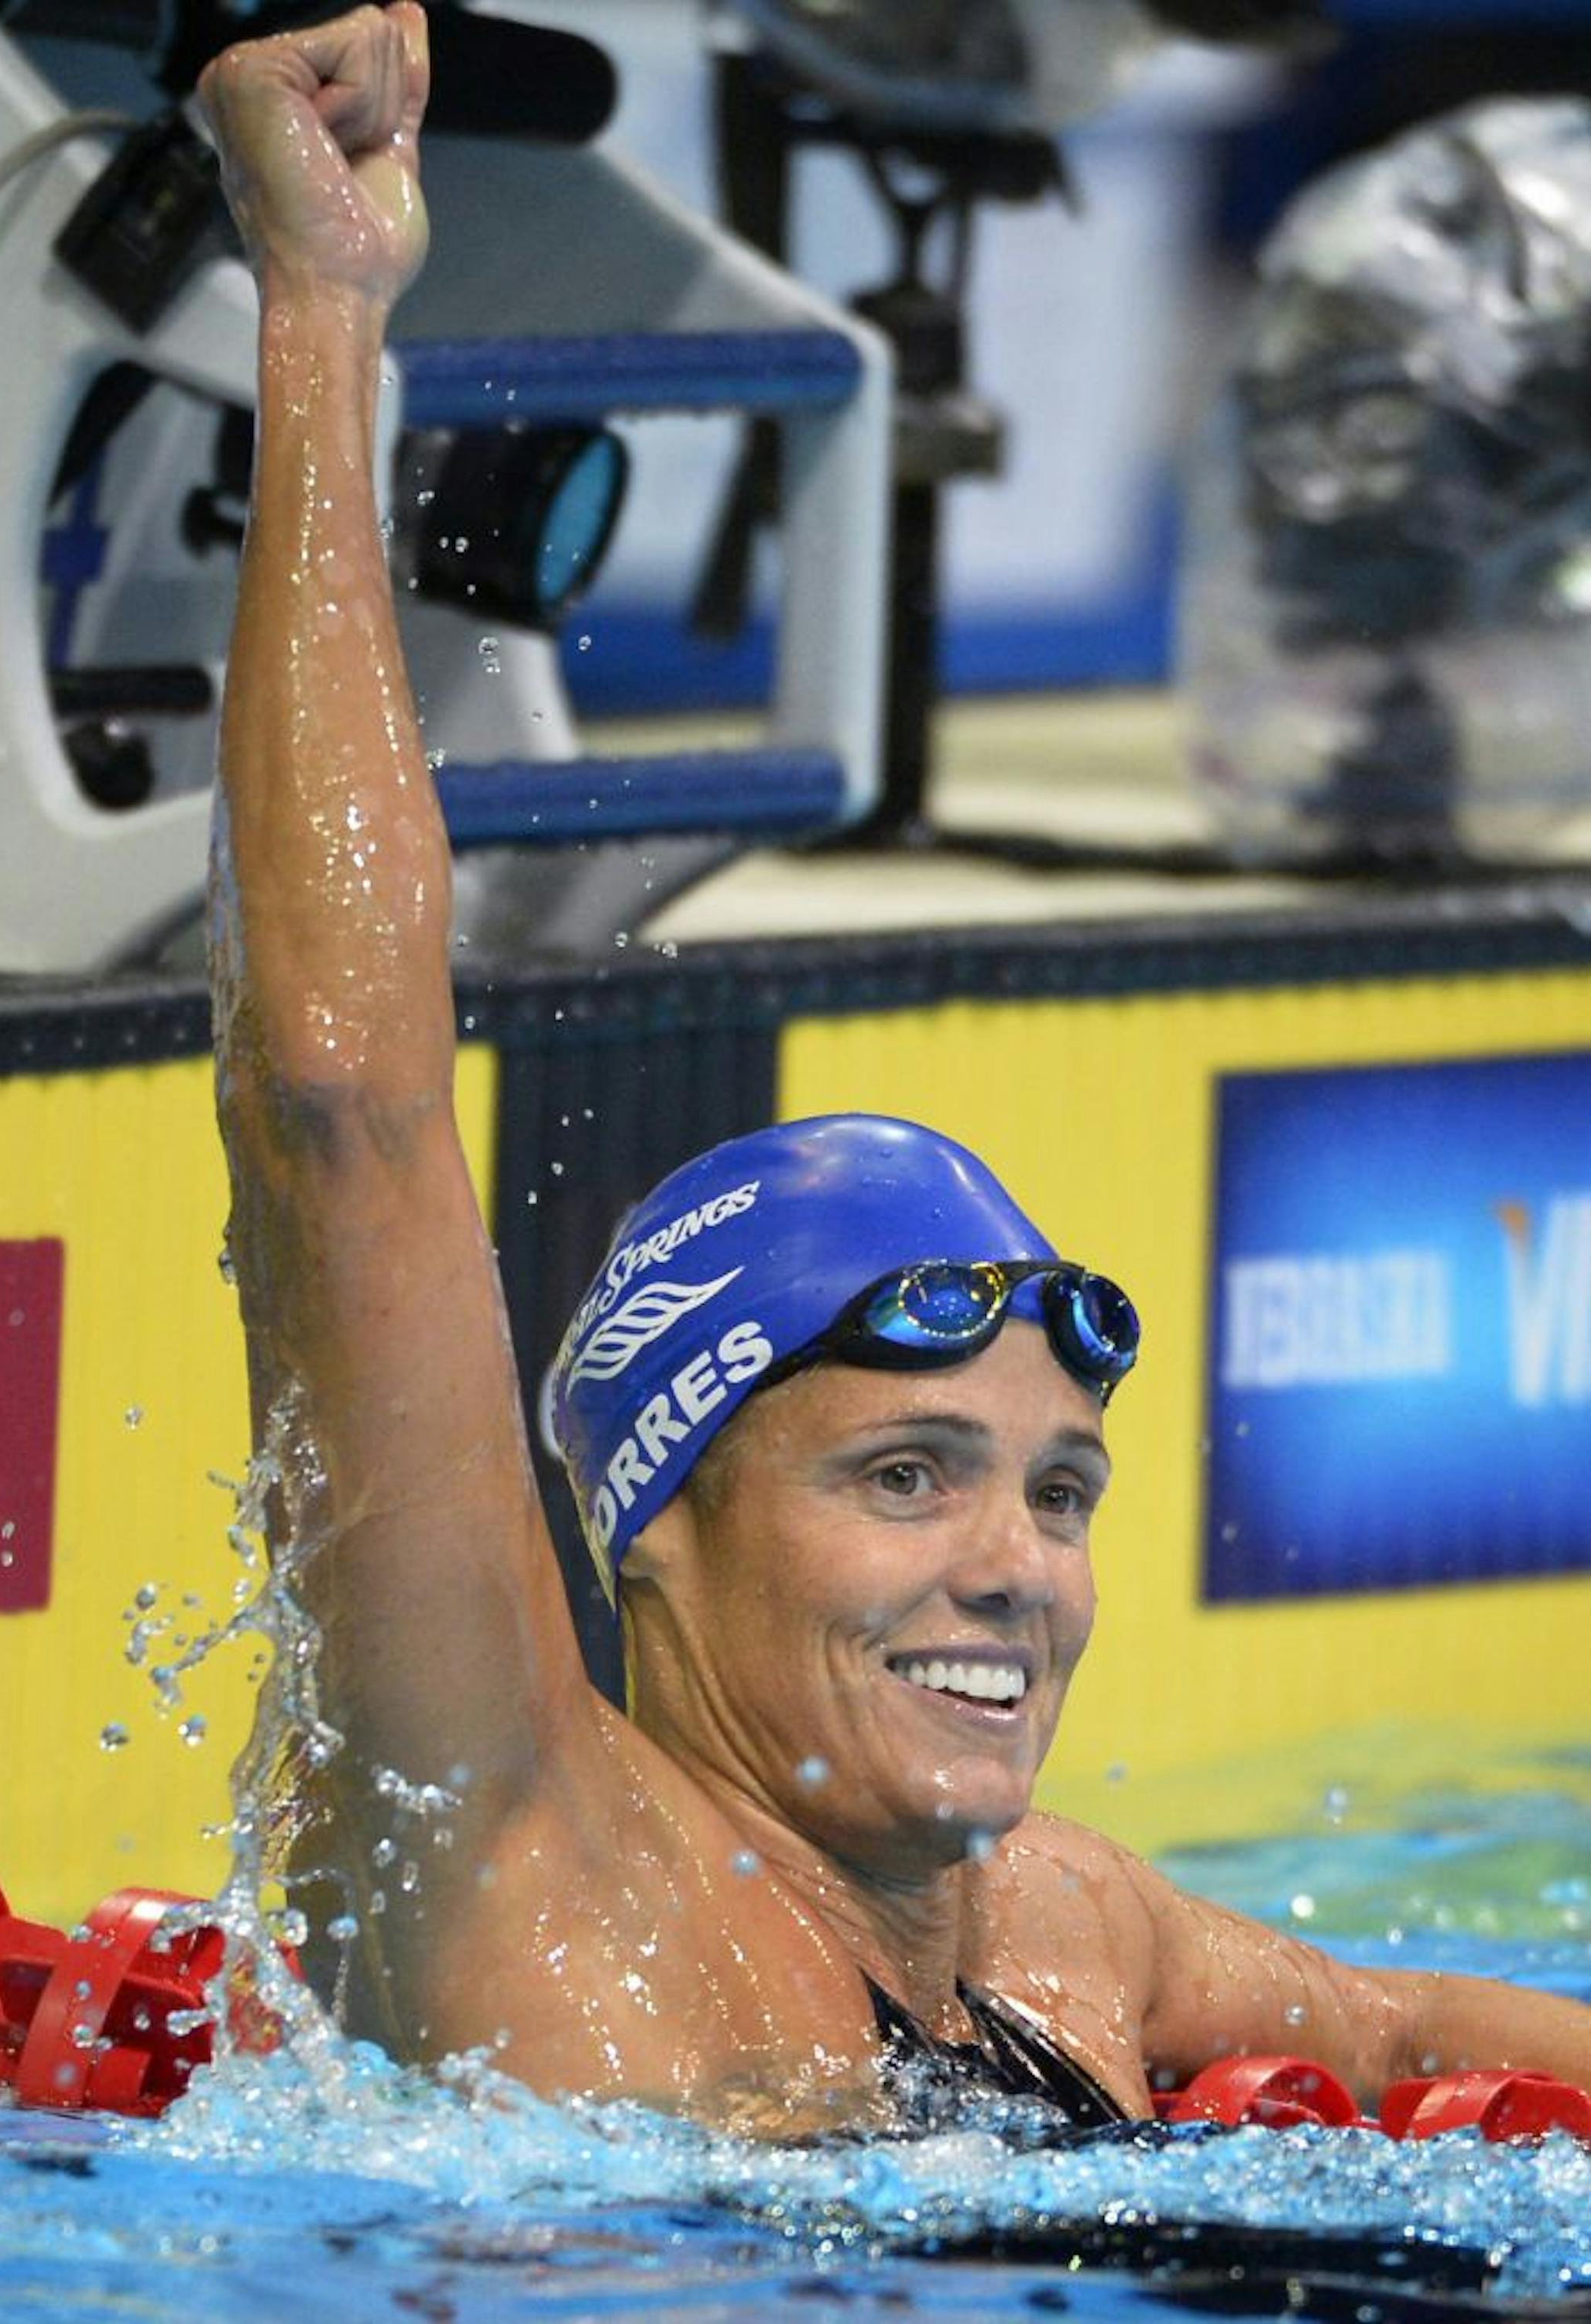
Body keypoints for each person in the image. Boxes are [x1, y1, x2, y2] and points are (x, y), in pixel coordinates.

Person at [197, 2, 1591, 2136]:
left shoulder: (1062, 1928)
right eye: (904, 1472)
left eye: (1054, 1487)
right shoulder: (530, 1865)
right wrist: (321, 309)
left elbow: (1410, 2038)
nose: (1015, 1565)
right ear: (657, 1518)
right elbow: (337, 1102)